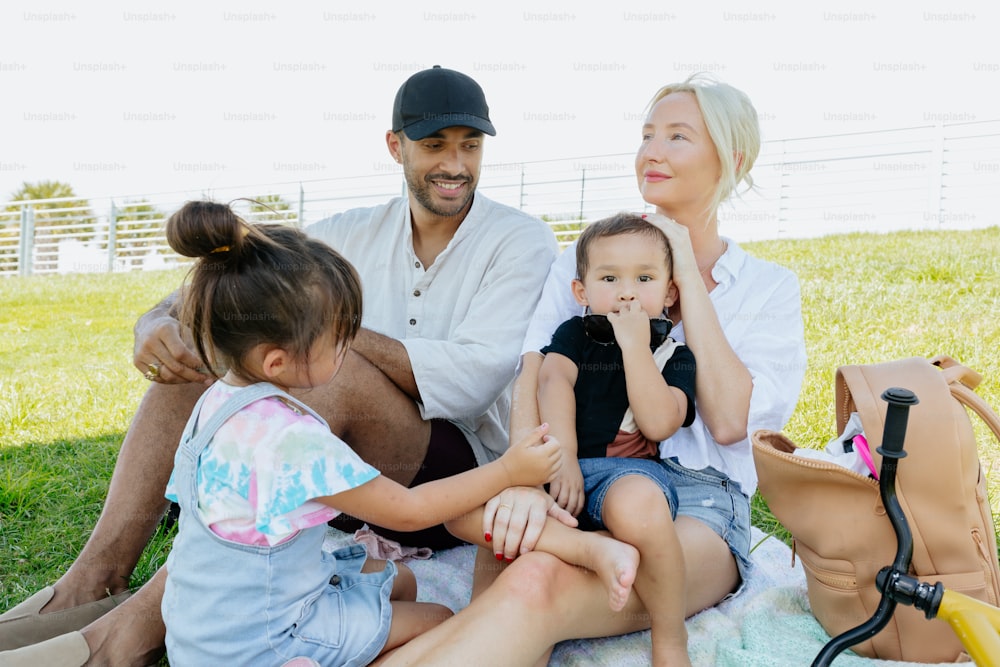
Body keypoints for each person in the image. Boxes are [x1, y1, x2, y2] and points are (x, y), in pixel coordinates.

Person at [0, 66, 560, 666]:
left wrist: (329, 331)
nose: (456, 164)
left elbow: (467, 384)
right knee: (221, 350)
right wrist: (158, 320)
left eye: (470, 146)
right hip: (337, 468)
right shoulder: (352, 230)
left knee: (315, 373)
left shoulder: (520, 239)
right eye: (434, 145)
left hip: (448, 470)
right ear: (395, 146)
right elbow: (241, 271)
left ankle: (130, 633)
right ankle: (94, 580)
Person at [381, 73, 808, 666]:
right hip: (581, 480)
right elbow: (536, 368)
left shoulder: (767, 288)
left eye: (678, 137)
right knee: (517, 559)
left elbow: (733, 422)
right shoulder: (588, 260)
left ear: (731, 159)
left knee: (537, 584)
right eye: (647, 135)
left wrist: (684, 263)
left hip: (702, 507)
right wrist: (530, 482)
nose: (651, 151)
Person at [159, 201, 560, 665]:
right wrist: (510, 470)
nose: (351, 346)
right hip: (266, 643)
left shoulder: (215, 405)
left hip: (202, 636)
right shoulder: (294, 439)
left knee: (400, 582)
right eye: (340, 337)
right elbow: (410, 511)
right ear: (277, 362)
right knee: (439, 620)